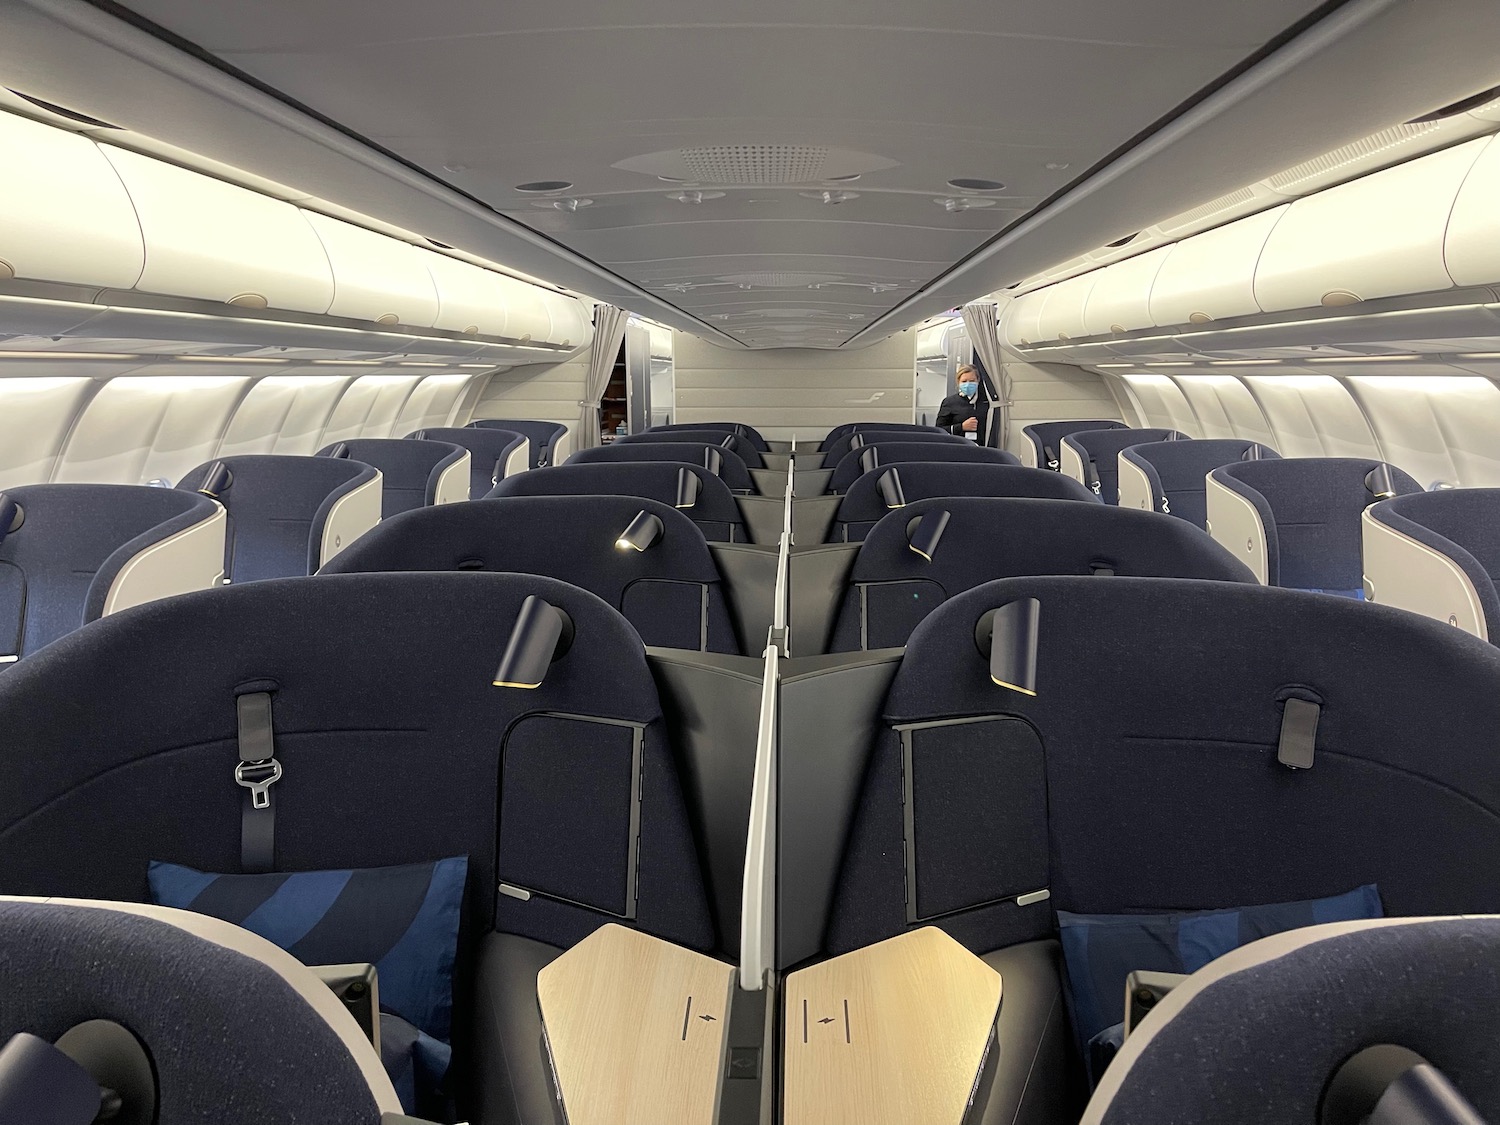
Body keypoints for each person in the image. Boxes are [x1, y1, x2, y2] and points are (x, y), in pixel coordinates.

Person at [935, 364, 988, 440]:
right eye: (964, 381)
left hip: (982, 447)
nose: (968, 384)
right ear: (958, 382)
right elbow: (939, 429)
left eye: (972, 381)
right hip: (958, 446)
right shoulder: (949, 402)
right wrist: (961, 427)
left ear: (978, 380)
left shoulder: (987, 401)